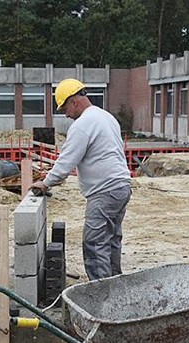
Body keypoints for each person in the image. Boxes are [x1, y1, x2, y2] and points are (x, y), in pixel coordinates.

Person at [30, 78, 131, 281]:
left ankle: (102, 295)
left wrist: (46, 182)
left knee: (94, 244)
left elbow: (66, 162)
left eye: (65, 108)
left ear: (74, 101)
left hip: (104, 192)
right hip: (121, 187)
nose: (66, 115)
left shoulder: (83, 124)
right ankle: (116, 287)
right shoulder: (106, 117)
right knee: (110, 241)